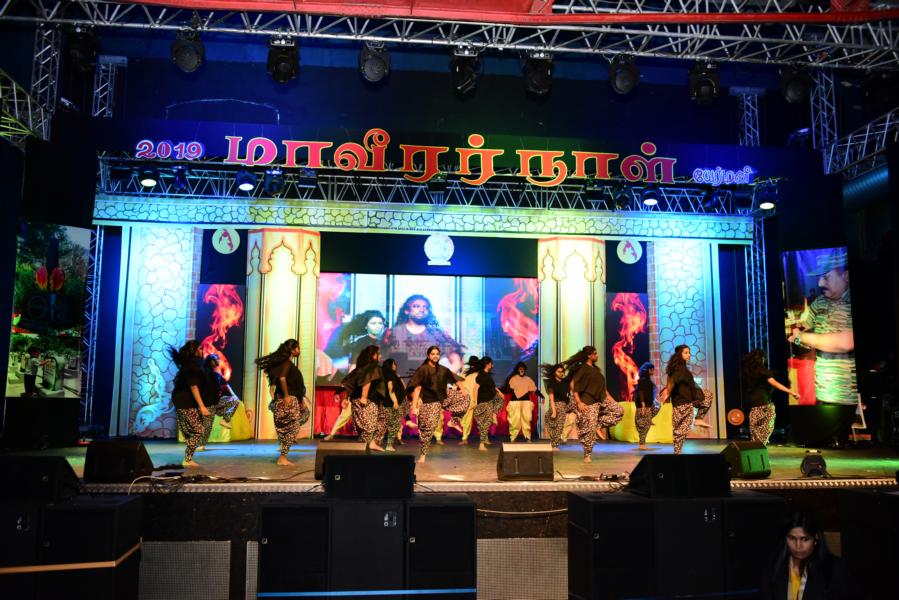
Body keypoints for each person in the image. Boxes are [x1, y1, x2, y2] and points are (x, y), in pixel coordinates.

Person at [787, 249, 856, 405]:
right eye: (819, 277)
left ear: (846, 276)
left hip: (850, 398)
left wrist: (802, 337)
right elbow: (801, 329)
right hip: (822, 394)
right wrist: (797, 335)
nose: (820, 283)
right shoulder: (819, 302)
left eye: (826, 277)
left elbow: (846, 342)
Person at [760, 512, 854, 600]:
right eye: (792, 538)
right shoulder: (774, 567)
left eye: (805, 539)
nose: (798, 546)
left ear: (816, 538)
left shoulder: (834, 568)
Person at [256, 339, 310, 465]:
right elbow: (282, 378)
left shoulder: (283, 364)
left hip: (286, 400)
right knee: (294, 427)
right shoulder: (286, 364)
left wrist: (301, 399)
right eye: (298, 348)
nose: (299, 350)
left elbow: (285, 383)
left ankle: (284, 444)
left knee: (297, 420)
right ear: (293, 350)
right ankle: (283, 456)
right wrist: (286, 396)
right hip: (288, 400)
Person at [567, 346, 624, 463]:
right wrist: (579, 402)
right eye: (595, 353)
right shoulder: (583, 368)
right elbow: (573, 384)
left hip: (601, 400)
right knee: (589, 430)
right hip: (588, 402)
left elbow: (604, 390)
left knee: (619, 411)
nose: (597, 355)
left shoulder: (596, 370)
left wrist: (613, 401)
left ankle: (598, 425)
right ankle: (587, 455)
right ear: (589, 356)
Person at [382, 294, 464, 377]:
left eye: (425, 307)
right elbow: (383, 361)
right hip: (401, 382)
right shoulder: (393, 333)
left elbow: (457, 362)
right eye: (416, 306)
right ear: (407, 311)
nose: (421, 309)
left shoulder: (436, 334)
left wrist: (441, 380)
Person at [409, 345, 465, 463]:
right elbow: (417, 388)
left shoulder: (443, 369)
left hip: (442, 399)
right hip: (429, 402)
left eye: (437, 354)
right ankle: (423, 454)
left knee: (466, 399)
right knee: (427, 429)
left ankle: (453, 422)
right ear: (428, 355)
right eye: (433, 354)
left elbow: (455, 379)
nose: (435, 356)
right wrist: (414, 406)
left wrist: (463, 390)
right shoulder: (423, 369)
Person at [742, 349, 799, 444]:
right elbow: (775, 384)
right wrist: (791, 392)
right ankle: (760, 447)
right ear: (762, 359)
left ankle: (756, 449)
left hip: (753, 406)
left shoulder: (749, 372)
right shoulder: (763, 371)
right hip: (764, 404)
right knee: (765, 431)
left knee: (755, 434)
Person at [168, 340, 210, 467]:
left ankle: (188, 458)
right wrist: (202, 406)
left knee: (193, 431)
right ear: (194, 351)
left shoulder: (190, 365)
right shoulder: (192, 367)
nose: (202, 351)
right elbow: (194, 387)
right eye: (200, 349)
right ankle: (187, 459)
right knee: (199, 431)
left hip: (183, 400)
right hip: (185, 401)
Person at [197, 353, 252, 448]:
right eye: (216, 359)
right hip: (208, 403)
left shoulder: (217, 375)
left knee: (234, 400)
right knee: (207, 425)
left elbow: (226, 385)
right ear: (211, 362)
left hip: (217, 402)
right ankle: (201, 444)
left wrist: (234, 396)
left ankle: (225, 419)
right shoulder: (203, 374)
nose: (218, 361)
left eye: (218, 359)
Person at [665, 344, 712, 455]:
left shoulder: (680, 368)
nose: (689, 355)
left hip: (688, 401)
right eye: (686, 353)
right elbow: (671, 382)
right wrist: (667, 394)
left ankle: (698, 419)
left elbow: (670, 380)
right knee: (680, 431)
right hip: (681, 403)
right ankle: (677, 453)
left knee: (708, 396)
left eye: (689, 352)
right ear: (679, 355)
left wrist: (668, 394)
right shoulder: (679, 369)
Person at [341, 345, 386, 452]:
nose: (380, 356)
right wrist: (364, 397)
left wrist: (345, 399)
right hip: (367, 400)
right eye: (379, 353)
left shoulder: (359, 368)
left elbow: (348, 384)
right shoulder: (373, 367)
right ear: (374, 355)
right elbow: (367, 381)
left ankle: (369, 445)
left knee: (367, 425)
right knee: (369, 425)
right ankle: (366, 448)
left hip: (356, 400)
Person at [468, 356, 503, 451]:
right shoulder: (482, 375)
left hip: (489, 401)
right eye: (491, 363)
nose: (492, 365)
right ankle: (481, 444)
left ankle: (485, 439)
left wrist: (499, 392)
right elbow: (475, 389)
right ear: (487, 364)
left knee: (485, 423)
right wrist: (475, 402)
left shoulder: (486, 375)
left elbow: (492, 386)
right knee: (484, 424)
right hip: (484, 402)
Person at [504, 362, 537, 442]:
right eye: (520, 369)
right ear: (517, 370)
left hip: (526, 402)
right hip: (515, 402)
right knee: (514, 420)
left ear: (525, 370)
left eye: (523, 369)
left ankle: (527, 437)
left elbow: (534, 389)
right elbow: (509, 389)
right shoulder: (513, 379)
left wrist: (542, 396)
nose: (521, 370)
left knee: (527, 419)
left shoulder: (528, 379)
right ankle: (513, 437)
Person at [542, 362, 570, 450]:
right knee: (550, 421)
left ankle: (555, 444)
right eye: (559, 371)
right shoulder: (551, 383)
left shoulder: (565, 382)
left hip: (563, 405)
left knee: (559, 426)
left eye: (562, 371)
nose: (561, 373)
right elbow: (551, 398)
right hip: (554, 405)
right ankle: (554, 442)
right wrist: (554, 411)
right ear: (554, 372)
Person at [633, 362, 660, 450]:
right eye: (652, 369)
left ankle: (649, 419)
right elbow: (640, 392)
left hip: (647, 405)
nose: (653, 371)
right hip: (643, 406)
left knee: (657, 406)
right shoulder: (643, 381)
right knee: (643, 426)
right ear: (647, 370)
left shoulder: (647, 381)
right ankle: (642, 444)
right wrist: (643, 404)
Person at [380, 358, 406, 452]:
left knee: (391, 424)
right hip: (391, 403)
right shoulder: (390, 375)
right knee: (394, 424)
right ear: (390, 365)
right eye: (393, 364)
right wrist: (395, 401)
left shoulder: (390, 375)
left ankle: (383, 443)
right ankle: (388, 445)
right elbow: (391, 389)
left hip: (389, 403)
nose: (395, 366)